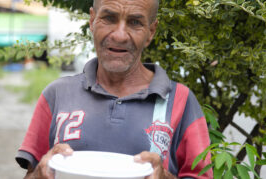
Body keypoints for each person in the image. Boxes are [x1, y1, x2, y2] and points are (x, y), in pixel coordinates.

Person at [16, 0, 213, 178]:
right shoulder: (57, 94)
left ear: (151, 32)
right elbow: (32, 174)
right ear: (92, 21)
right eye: (109, 18)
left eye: (135, 22)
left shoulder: (181, 100)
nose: (119, 35)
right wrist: (39, 175)